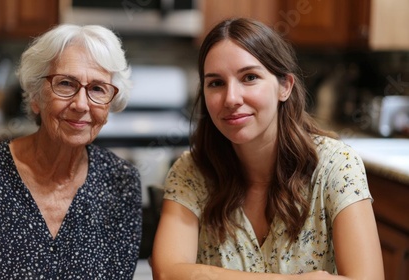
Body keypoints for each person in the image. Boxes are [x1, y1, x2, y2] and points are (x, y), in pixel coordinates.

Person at [151, 18, 384, 280]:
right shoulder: (192, 171)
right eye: (216, 83)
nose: (231, 99)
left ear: (284, 86)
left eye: (249, 77)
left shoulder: (336, 166)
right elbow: (167, 272)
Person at [0, 24, 142, 279]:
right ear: (36, 97)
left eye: (97, 89)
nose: (81, 104)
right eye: (66, 84)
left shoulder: (121, 182)